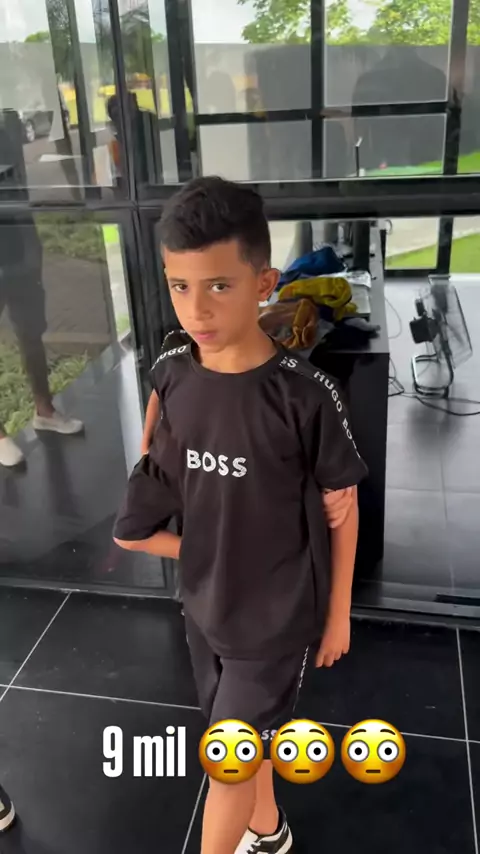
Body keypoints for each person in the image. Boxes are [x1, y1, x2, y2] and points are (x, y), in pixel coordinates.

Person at [113, 176, 366, 854]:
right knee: (245, 739)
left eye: (219, 286)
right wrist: (197, 551)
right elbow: (156, 451)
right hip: (204, 605)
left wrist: (337, 613)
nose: (196, 308)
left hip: (276, 616)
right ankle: (269, 830)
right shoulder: (173, 370)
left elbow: (344, 511)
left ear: (263, 283)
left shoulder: (306, 397)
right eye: (179, 286)